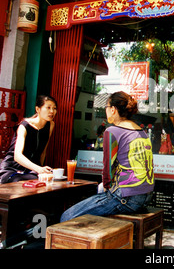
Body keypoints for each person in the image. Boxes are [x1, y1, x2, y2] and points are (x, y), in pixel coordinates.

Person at [60, 91, 154, 222]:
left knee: (66, 217)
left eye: (106, 107)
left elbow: (107, 170)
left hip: (125, 198)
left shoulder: (112, 131)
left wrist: (105, 186)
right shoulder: (141, 131)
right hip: (146, 196)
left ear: (113, 109)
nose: (106, 111)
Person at [0, 95, 57, 184]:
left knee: (49, 180)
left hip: (31, 170)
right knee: (25, 183)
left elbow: (43, 151)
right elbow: (17, 156)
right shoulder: (24, 126)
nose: (52, 111)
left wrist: (40, 169)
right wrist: (39, 169)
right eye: (48, 107)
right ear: (38, 109)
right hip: (12, 169)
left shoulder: (50, 125)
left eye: (54, 108)